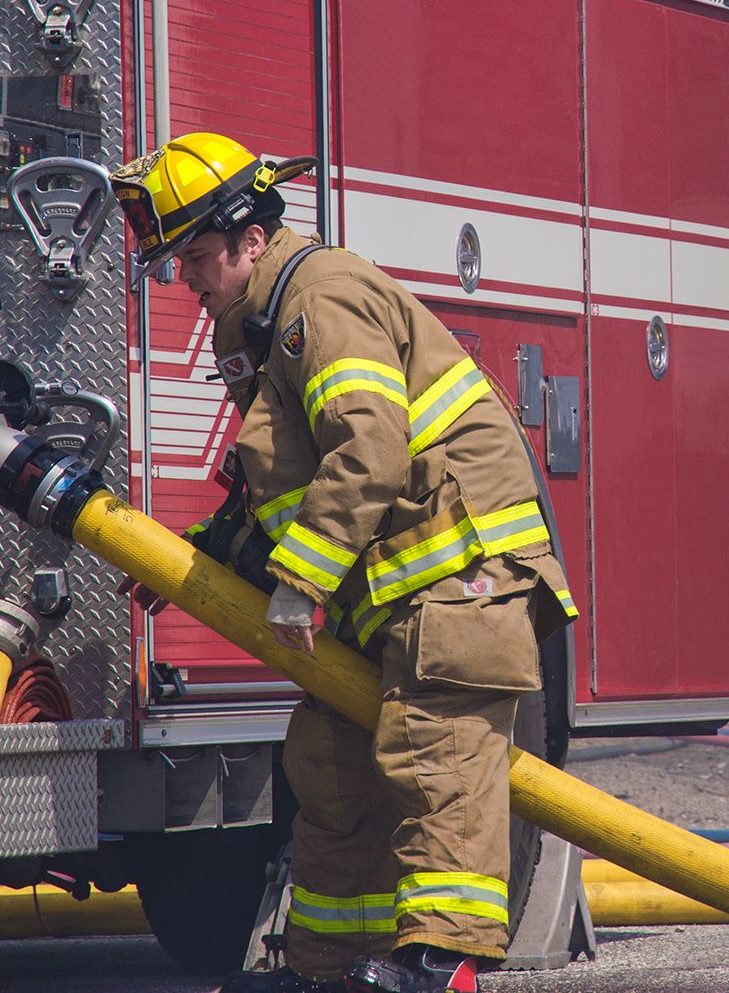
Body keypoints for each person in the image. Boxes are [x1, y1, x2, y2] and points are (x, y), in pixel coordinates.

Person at [109, 133, 578, 993]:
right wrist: (195, 559)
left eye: (199, 257)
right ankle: (326, 970)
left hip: (459, 577)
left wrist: (300, 584)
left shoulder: (321, 299)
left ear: (252, 238)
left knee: (435, 754)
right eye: (178, 263)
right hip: (394, 592)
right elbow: (282, 486)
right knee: (330, 762)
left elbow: (368, 450)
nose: (187, 280)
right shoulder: (262, 325)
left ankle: (441, 963)